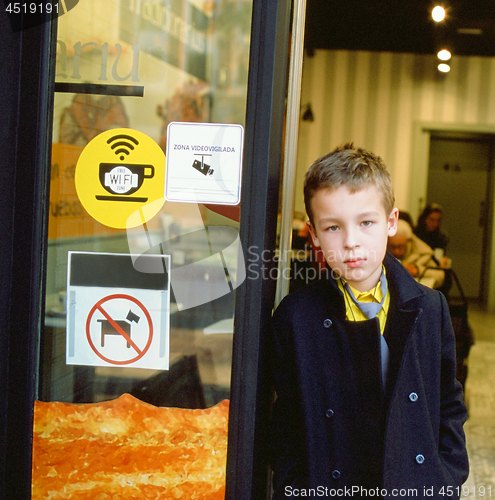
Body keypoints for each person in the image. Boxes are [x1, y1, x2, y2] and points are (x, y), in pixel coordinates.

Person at [269, 144, 468, 499]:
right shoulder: (295, 317)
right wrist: (294, 487)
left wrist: (446, 477)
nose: (351, 242)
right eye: (332, 228)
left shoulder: (430, 307)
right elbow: (285, 419)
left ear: (391, 223)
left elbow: (448, 401)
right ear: (313, 234)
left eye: (366, 222)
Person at [387, 219, 445, 289]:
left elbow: (440, 275)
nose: (396, 251)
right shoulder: (380, 254)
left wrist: (417, 271)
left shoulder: (420, 253)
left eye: (400, 247)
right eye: (392, 247)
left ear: (407, 243)